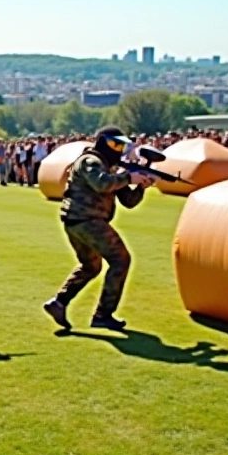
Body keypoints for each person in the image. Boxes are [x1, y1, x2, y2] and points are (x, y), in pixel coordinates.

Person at [42, 126, 157, 333]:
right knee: (120, 259)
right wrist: (129, 177)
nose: (118, 149)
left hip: (80, 221)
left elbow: (128, 202)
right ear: (102, 142)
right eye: (115, 144)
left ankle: (58, 303)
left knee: (91, 266)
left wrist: (141, 186)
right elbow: (101, 184)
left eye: (121, 145)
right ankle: (103, 315)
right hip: (86, 220)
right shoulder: (90, 161)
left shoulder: (111, 168)